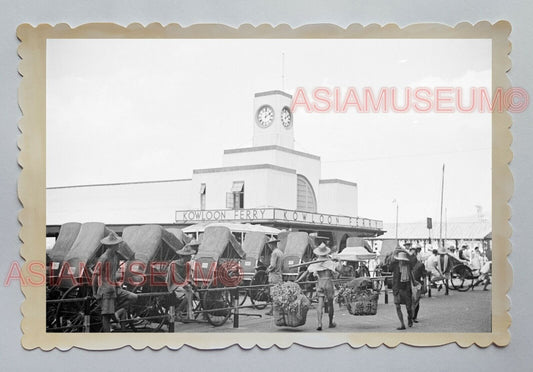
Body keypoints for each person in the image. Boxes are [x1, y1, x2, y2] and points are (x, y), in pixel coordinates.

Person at [92, 231, 138, 332]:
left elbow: (112, 274)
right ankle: (108, 334)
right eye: (117, 244)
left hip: (114, 288)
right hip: (105, 290)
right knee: (106, 316)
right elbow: (95, 276)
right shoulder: (103, 258)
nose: (118, 246)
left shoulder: (116, 257)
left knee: (134, 297)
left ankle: (116, 314)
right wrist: (95, 292)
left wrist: (117, 285)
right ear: (112, 246)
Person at [296, 243, 342, 331]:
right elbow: (339, 270)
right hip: (328, 282)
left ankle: (319, 323)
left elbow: (307, 272)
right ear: (326, 252)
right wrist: (339, 261)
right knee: (330, 304)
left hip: (320, 282)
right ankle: (330, 322)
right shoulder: (330, 262)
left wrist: (298, 280)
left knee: (320, 304)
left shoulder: (315, 262)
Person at [167, 244, 196, 321]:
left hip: (183, 284)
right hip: (173, 284)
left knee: (191, 291)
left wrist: (189, 282)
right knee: (189, 292)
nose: (190, 257)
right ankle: (180, 310)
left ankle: (182, 310)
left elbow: (188, 276)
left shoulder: (188, 265)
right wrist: (184, 284)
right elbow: (175, 278)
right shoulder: (174, 264)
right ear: (184, 256)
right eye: (189, 255)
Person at [390, 248, 414, 330]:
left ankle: (410, 318)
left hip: (406, 289)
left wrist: (405, 250)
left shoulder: (408, 266)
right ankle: (402, 324)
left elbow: (411, 276)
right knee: (397, 306)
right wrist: (394, 252)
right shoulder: (395, 266)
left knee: (408, 307)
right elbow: (388, 266)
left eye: (403, 260)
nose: (402, 261)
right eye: (400, 260)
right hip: (397, 289)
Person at [265, 237, 283, 316]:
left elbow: (272, 265)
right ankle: (275, 309)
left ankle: (273, 310)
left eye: (269, 245)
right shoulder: (280, 252)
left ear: (271, 245)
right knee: (278, 293)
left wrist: (268, 270)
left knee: (273, 294)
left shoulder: (274, 253)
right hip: (279, 275)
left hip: (273, 276)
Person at [409, 247, 426, 323]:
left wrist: (425, 285)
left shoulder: (420, 264)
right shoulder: (407, 265)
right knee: (410, 302)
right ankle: (410, 316)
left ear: (416, 254)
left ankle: (414, 317)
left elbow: (424, 276)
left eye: (413, 254)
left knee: (416, 302)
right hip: (409, 285)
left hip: (417, 285)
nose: (412, 255)